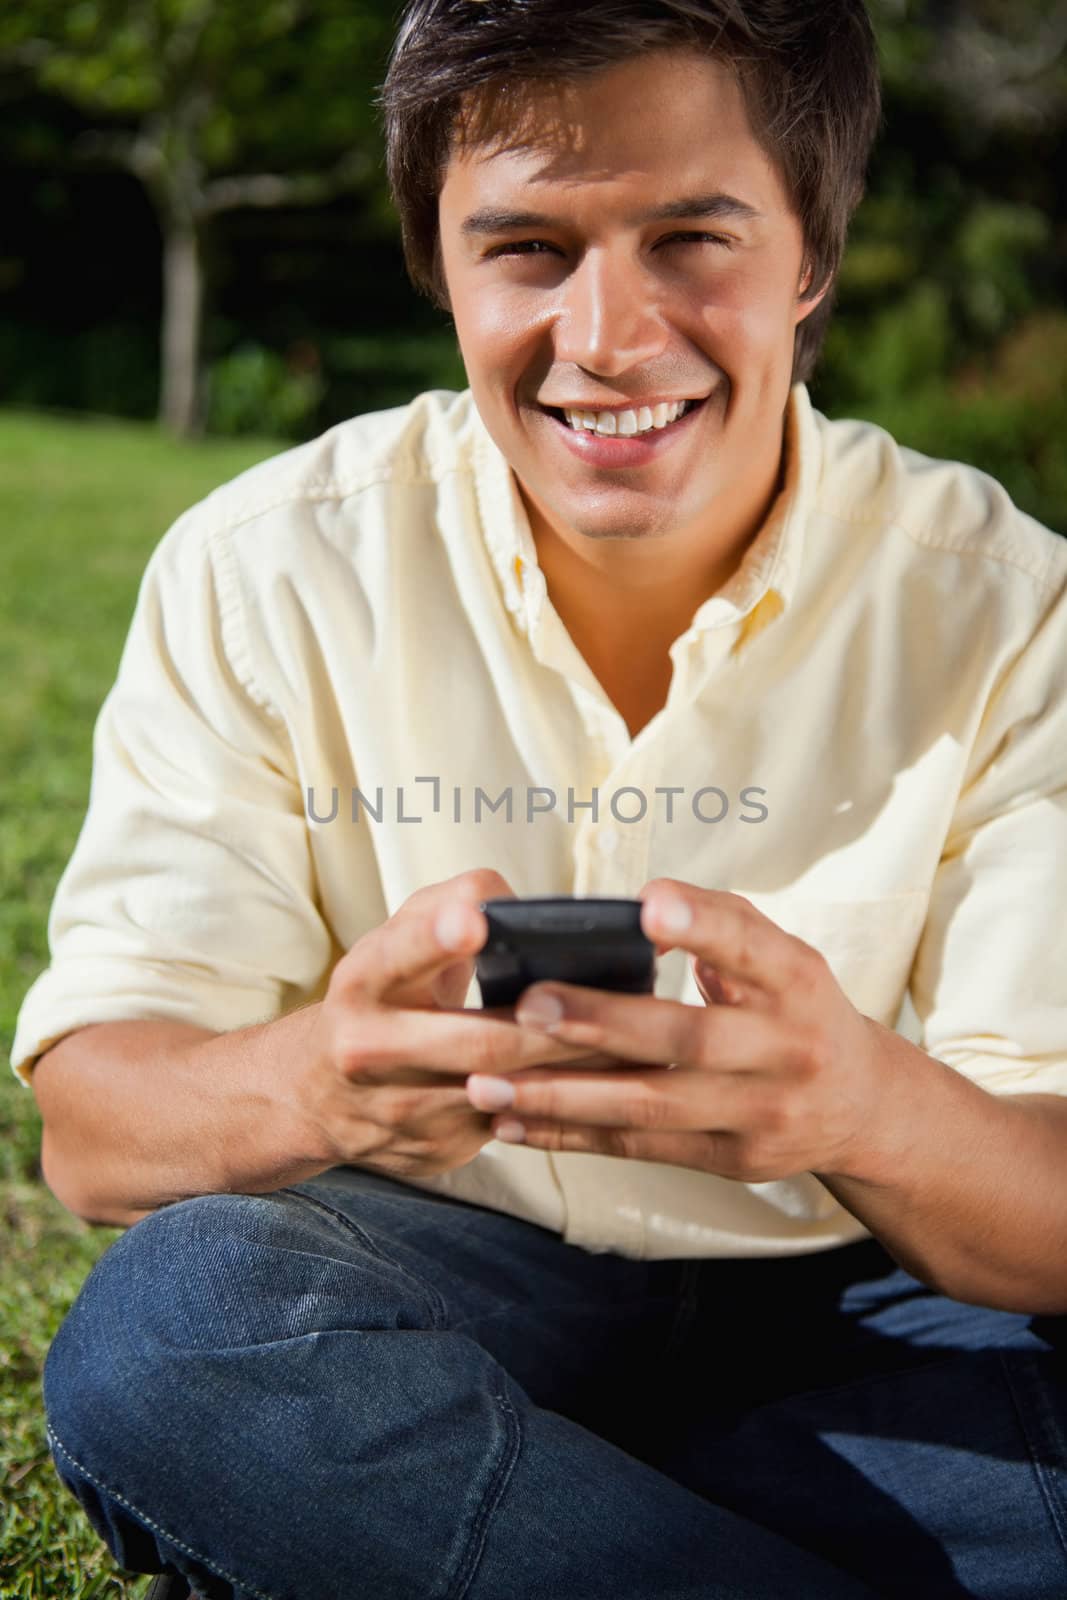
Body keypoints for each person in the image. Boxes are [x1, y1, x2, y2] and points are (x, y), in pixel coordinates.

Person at [13, 1, 1067, 1595]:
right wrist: (326, 1081)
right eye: (528, 250)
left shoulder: (1010, 608)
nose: (607, 337)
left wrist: (854, 1106)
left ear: (813, 256)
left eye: (691, 239)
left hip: (867, 1291)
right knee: (176, 1336)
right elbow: (94, 1133)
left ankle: (511, 1519)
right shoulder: (264, 568)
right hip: (434, 1267)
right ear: (441, 264)